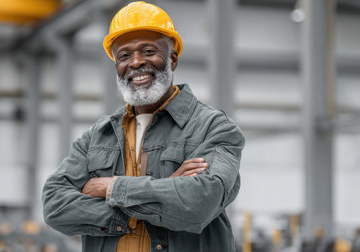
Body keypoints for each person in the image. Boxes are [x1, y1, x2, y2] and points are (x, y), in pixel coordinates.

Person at [42, 1, 245, 251]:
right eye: (124, 55)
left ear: (172, 59)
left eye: (148, 51)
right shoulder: (97, 137)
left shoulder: (214, 128)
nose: (136, 62)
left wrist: (110, 187)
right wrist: (165, 192)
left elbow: (200, 202)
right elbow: (54, 205)